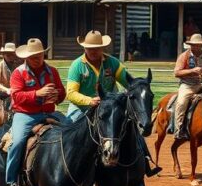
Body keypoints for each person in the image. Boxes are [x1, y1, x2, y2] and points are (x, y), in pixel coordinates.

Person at [64, 31, 161, 177]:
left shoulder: (113, 63)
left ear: (103, 48)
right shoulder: (77, 65)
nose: (93, 51)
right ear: (84, 48)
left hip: (109, 107)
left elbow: (129, 83)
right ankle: (69, 169)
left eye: (97, 48)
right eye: (90, 48)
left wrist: (139, 88)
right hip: (82, 108)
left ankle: (146, 161)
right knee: (71, 132)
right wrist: (90, 101)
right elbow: (71, 93)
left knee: (131, 127)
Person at [4, 38, 66, 186]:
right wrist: (37, 94)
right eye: (33, 56)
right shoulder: (18, 73)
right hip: (26, 115)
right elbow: (16, 96)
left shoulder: (52, 71)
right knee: (16, 143)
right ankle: (11, 183)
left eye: (39, 55)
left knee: (72, 130)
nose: (37, 59)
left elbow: (62, 92)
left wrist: (57, 95)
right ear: (26, 57)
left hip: (50, 112)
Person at [172, 33, 202, 141]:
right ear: (191, 45)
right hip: (187, 85)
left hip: (201, 84)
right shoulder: (184, 56)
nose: (196, 47)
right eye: (194, 45)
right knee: (181, 102)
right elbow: (176, 73)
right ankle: (178, 130)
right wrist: (192, 70)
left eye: (199, 45)